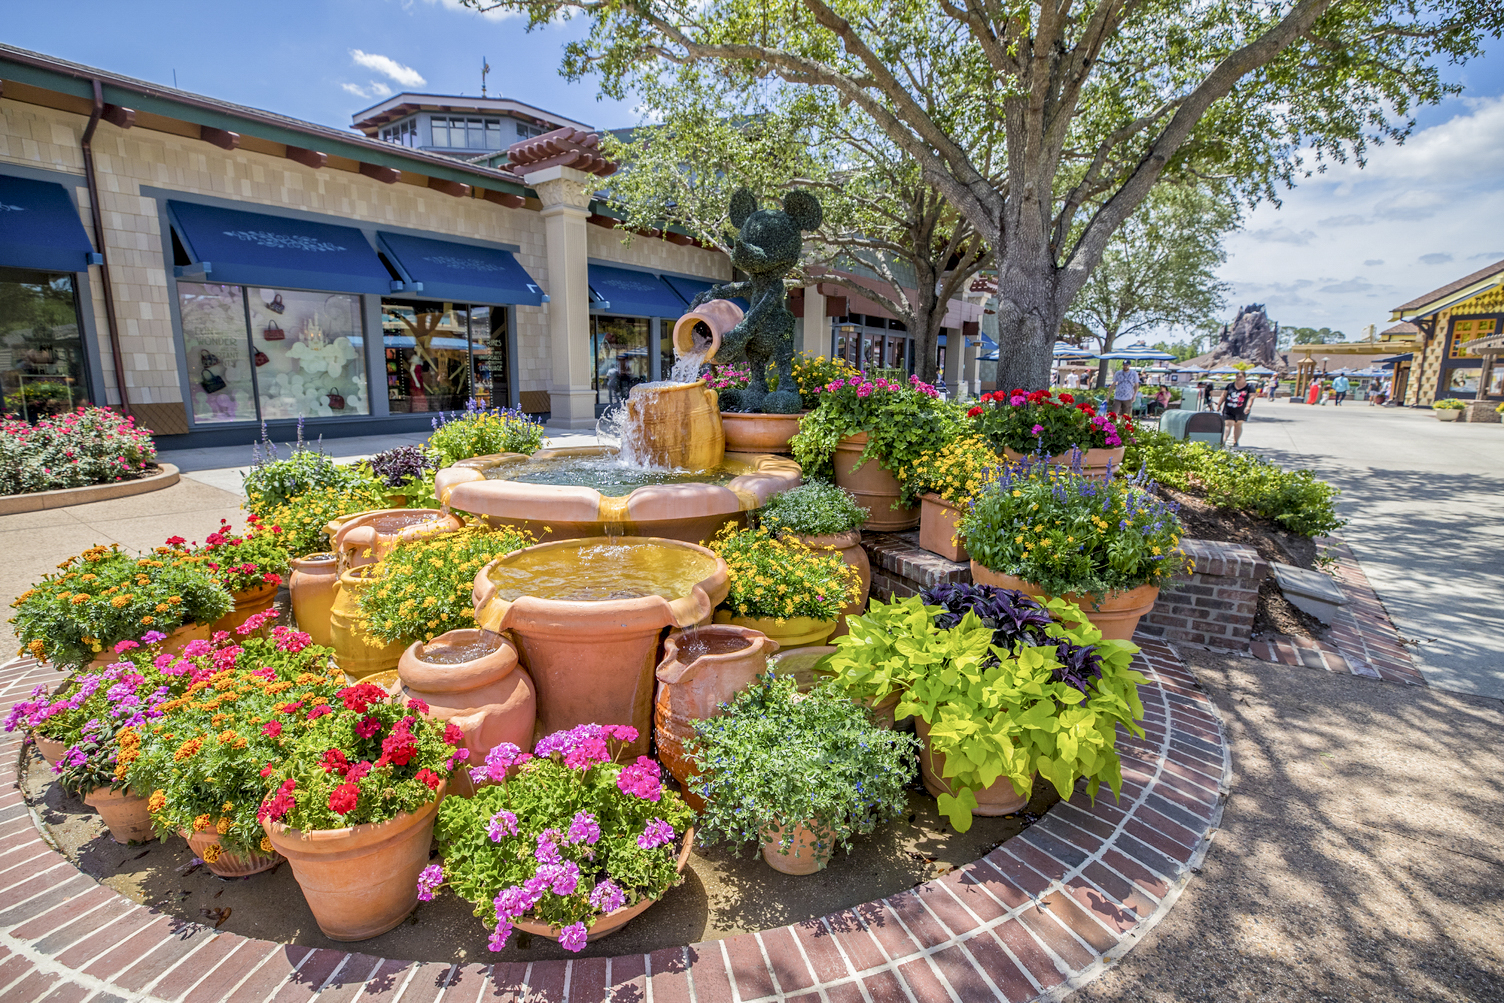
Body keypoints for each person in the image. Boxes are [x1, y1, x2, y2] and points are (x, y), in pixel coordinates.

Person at [1218, 371, 1256, 447]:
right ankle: (1224, 440)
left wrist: (1248, 407)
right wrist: (1219, 404)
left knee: (1238, 425)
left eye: (1240, 377)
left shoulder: (1249, 387)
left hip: (1241, 409)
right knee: (1228, 424)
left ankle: (1235, 441)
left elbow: (1251, 397)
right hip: (1228, 409)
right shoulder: (1230, 386)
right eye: (1237, 377)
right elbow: (1224, 395)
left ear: (1244, 377)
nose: (1238, 378)